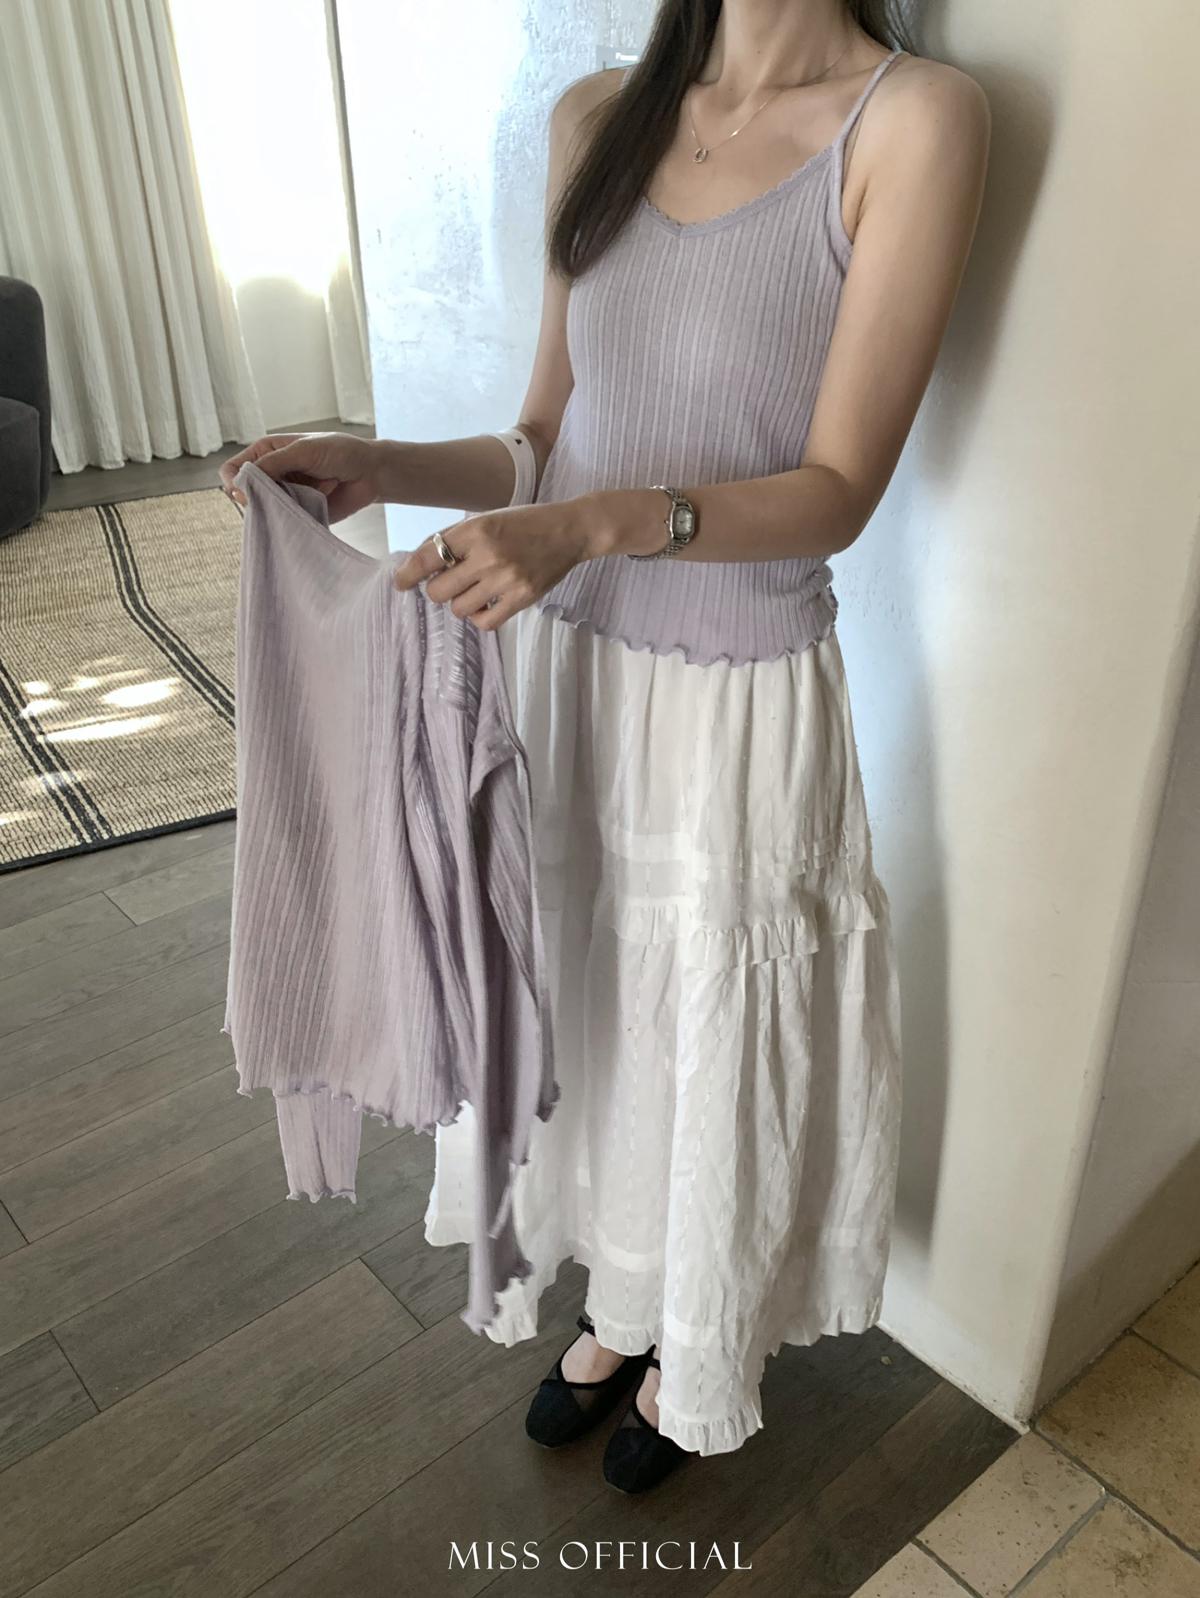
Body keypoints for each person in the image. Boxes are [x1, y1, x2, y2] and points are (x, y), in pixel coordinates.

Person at [221, 0, 989, 1495]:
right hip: (574, 668)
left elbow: (837, 490)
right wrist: (381, 462)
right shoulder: (598, 117)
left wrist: (596, 525)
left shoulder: (912, 121)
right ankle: (620, 1304)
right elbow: (545, 435)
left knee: (705, 1030)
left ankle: (696, 1338)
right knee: (600, 1012)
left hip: (734, 695)